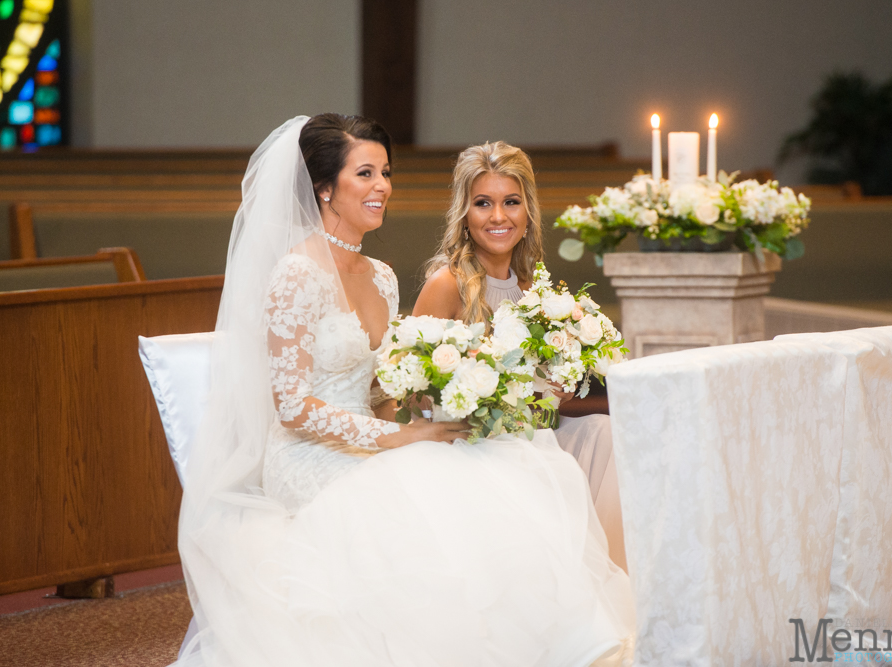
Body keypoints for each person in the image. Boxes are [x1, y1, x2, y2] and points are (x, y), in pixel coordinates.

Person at [173, 115, 634, 666]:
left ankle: (542, 644)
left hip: (379, 437)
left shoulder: (383, 276)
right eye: (364, 173)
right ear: (324, 188)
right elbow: (293, 409)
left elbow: (384, 390)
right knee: (429, 493)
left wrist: (428, 416)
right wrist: (397, 439)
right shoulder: (296, 274)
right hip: (308, 455)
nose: (382, 186)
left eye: (385, 172)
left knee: (478, 468)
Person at [413, 141, 627, 570]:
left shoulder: (536, 289)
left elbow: (545, 396)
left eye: (511, 202)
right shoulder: (447, 284)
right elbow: (413, 391)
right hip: (468, 443)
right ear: (465, 215)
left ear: (527, 213)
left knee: (605, 432)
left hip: (532, 434)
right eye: (483, 203)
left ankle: (609, 575)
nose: (498, 217)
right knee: (541, 457)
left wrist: (560, 385)